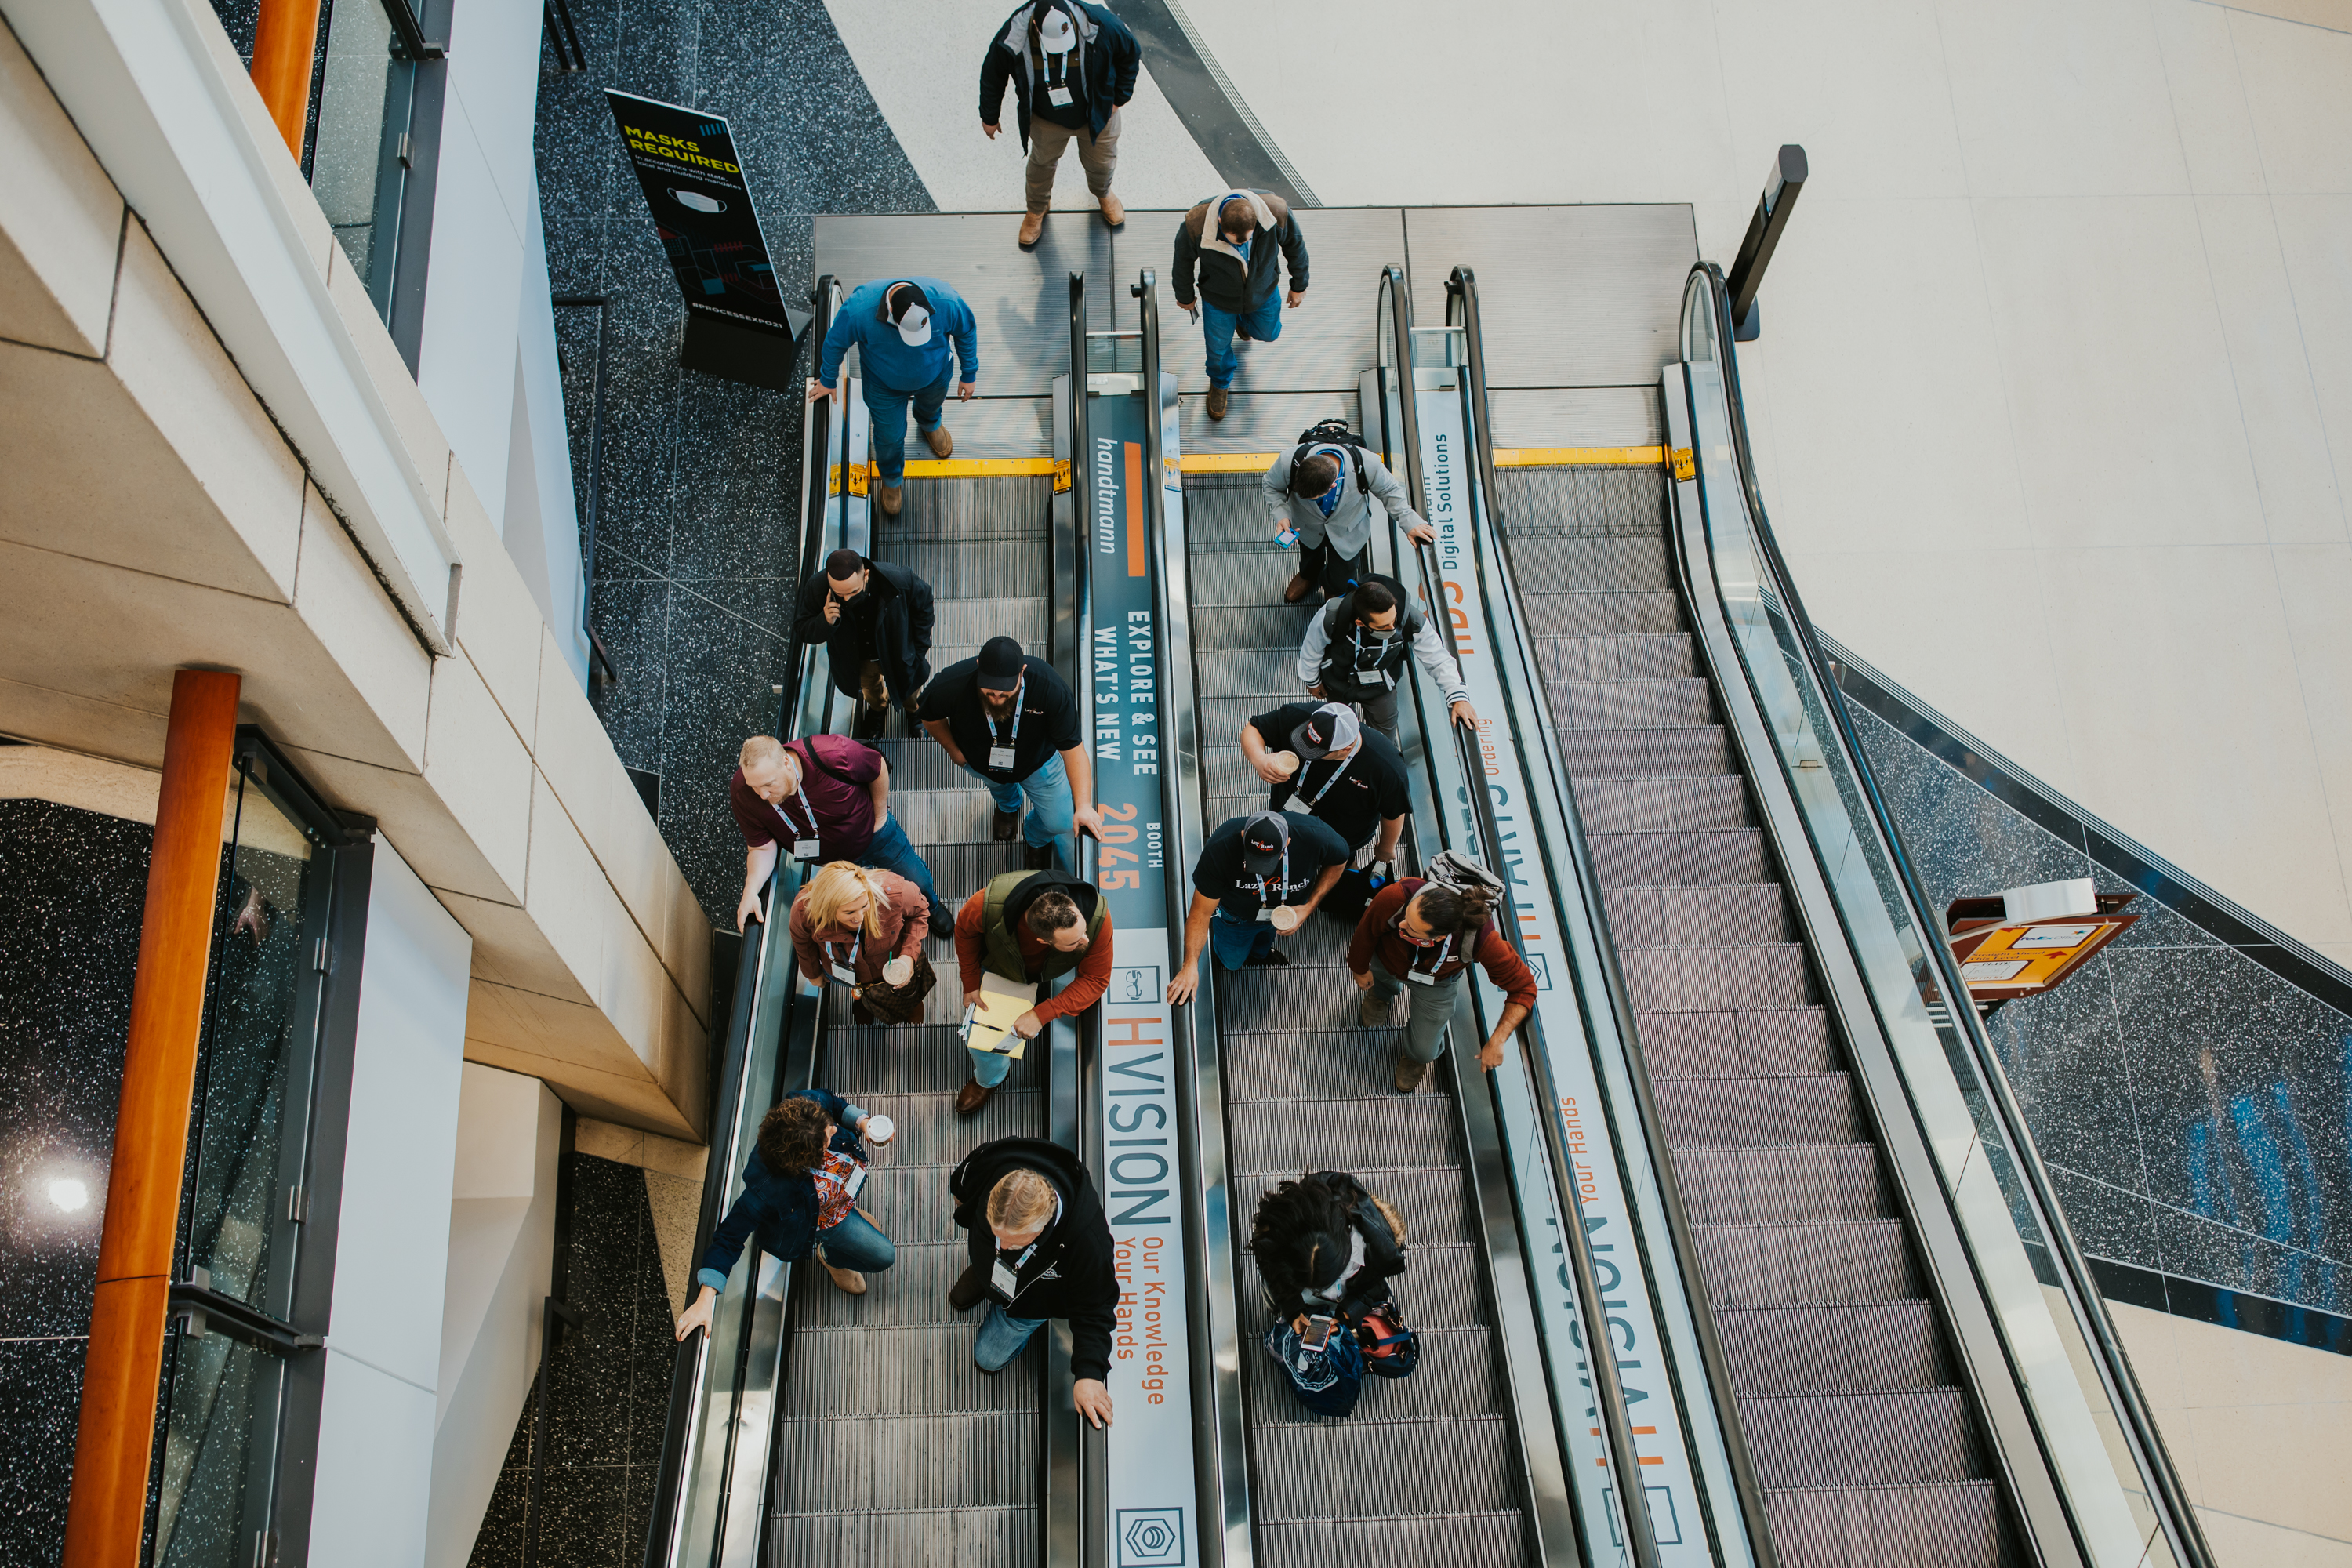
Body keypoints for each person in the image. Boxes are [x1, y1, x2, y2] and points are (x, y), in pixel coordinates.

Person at [677, 1090, 896, 1329]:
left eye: (829, 1124)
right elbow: (729, 1237)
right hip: (824, 1221)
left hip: (842, 1195)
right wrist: (704, 1299)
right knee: (883, 1257)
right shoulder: (765, 1188)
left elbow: (831, 1103)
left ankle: (849, 1215)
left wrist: (863, 1123)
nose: (834, 1130)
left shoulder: (804, 1109)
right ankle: (830, 1256)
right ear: (806, 1159)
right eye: (827, 1136)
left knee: (870, 1239)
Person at [946, 1137, 1119, 1428]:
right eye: (995, 1232)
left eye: (1015, 1242)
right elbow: (961, 1189)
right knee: (995, 1260)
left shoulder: (1088, 1244)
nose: (1001, 1243)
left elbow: (1095, 1308)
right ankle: (984, 1276)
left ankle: (999, 1299)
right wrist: (987, 1254)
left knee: (986, 1359)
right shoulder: (991, 1163)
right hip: (995, 1271)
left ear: (1044, 1223)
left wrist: (1089, 1373)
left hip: (1030, 1304)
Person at [730, 733, 952, 936]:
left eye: (769, 785)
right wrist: (751, 889)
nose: (762, 795)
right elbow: (761, 846)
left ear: (786, 763)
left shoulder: (833, 754)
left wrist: (880, 817)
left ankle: (929, 905)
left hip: (876, 836)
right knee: (859, 901)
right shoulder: (743, 791)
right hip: (837, 864)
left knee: (916, 879)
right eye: (755, 787)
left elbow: (877, 767)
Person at [920, 635, 1102, 870]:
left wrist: (1085, 805)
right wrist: (953, 750)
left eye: (1005, 690)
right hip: (981, 761)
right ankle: (1008, 808)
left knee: (1060, 820)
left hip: (1039, 763)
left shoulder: (1050, 688)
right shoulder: (951, 683)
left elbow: (1073, 750)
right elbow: (929, 714)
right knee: (999, 788)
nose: (996, 696)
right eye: (990, 689)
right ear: (978, 667)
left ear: (1022, 671)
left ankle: (1035, 837)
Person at [1348, 867, 1537, 1093]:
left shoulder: (1482, 939)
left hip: (1438, 981)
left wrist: (1498, 1040)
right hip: (1389, 959)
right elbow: (1367, 931)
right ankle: (1380, 996)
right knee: (1381, 980)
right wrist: (1359, 968)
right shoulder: (1397, 896)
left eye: (1412, 929)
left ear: (1438, 938)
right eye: (1406, 917)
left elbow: (1524, 988)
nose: (1401, 925)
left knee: (1425, 1049)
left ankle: (1415, 1057)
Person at [810, 278, 978, 517]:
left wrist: (969, 372)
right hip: (883, 386)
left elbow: (966, 330)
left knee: (932, 404)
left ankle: (929, 421)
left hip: (935, 375)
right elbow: (835, 342)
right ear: (890, 312)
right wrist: (828, 379)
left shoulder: (946, 301)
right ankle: (891, 478)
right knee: (888, 438)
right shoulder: (859, 310)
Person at [1250, 1170, 1410, 1417]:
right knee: (1276, 1295)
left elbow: (1374, 1286)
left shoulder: (1380, 1250)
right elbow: (1271, 1264)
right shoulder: (1285, 1231)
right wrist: (1293, 1311)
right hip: (1310, 1295)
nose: (1321, 1289)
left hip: (1350, 1298)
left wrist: (1347, 1314)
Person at [979, 0, 1140, 248]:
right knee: (1041, 164)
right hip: (1046, 119)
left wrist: (1118, 99)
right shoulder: (1013, 35)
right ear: (1035, 25)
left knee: (1102, 163)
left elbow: (1130, 54)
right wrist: (990, 117)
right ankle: (1036, 209)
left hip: (1097, 114)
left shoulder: (1102, 24)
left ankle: (1103, 193)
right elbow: (993, 74)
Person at [952, 869, 1114, 1113]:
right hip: (1004, 967)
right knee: (982, 1040)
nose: (1086, 941)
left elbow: (1096, 978)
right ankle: (990, 1079)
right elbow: (964, 932)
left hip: (1049, 970)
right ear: (1043, 942)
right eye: (1074, 942)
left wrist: (1042, 1013)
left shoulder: (1095, 915)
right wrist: (971, 983)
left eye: (1082, 930)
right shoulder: (985, 905)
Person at [1238, 701, 1406, 918]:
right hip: (1289, 817)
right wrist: (1259, 759)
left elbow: (1394, 812)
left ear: (1345, 749)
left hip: (1343, 835)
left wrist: (1386, 848)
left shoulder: (1387, 766)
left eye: (1316, 750)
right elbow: (1253, 729)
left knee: (1339, 861)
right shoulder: (1301, 716)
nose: (1303, 750)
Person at [1166, 811, 1350, 1003]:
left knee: (1262, 949)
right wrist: (1190, 965)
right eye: (1253, 859)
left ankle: (1260, 955)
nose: (1260, 870)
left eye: (1269, 861)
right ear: (1244, 836)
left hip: (1283, 913)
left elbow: (1340, 859)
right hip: (1235, 919)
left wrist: (1309, 907)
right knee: (1232, 962)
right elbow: (1200, 913)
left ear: (1286, 844)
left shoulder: (1316, 836)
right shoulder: (1220, 848)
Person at [1171, 190, 1308, 423]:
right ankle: (1220, 383)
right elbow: (1182, 261)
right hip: (1219, 299)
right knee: (1217, 349)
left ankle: (1242, 320)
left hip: (1262, 291)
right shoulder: (1196, 223)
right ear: (1220, 222)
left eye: (1247, 238)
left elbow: (1295, 246)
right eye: (1235, 241)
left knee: (1269, 332)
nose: (1242, 244)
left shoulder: (1276, 212)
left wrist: (1299, 285)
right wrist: (1185, 296)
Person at [1298, 575, 1478, 744]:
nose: (1393, 627)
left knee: (1384, 739)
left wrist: (1457, 695)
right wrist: (1313, 680)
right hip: (1338, 681)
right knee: (1340, 729)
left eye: (1393, 620)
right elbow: (1312, 647)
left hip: (1382, 685)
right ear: (1361, 622)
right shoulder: (1331, 615)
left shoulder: (1410, 619)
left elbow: (1437, 657)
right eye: (1384, 626)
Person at [1260, 434, 1433, 604]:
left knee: (1344, 569)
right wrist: (1282, 514)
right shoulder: (1288, 460)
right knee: (1309, 555)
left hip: (1349, 530)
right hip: (1306, 527)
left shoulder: (1368, 463)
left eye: (1315, 498)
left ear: (1333, 485)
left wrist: (1409, 521)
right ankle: (1309, 575)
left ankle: (1334, 588)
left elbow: (1390, 492)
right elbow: (1271, 485)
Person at [790, 546, 935, 741]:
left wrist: (919, 649)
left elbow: (924, 607)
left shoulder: (897, 579)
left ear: (866, 575)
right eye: (840, 594)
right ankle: (878, 709)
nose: (847, 599)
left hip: (897, 652)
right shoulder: (817, 588)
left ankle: (914, 711)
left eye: (853, 591)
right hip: (857, 661)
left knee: (909, 687)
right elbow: (802, 630)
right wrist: (825, 621)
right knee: (871, 690)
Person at [789, 862, 931, 1026]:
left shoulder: (895, 894)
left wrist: (909, 955)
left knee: (910, 1006)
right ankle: (865, 1001)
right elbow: (802, 941)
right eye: (849, 912)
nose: (860, 918)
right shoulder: (804, 910)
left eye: (864, 906)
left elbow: (920, 912)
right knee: (864, 1008)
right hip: (851, 976)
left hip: (893, 970)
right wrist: (812, 973)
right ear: (827, 909)